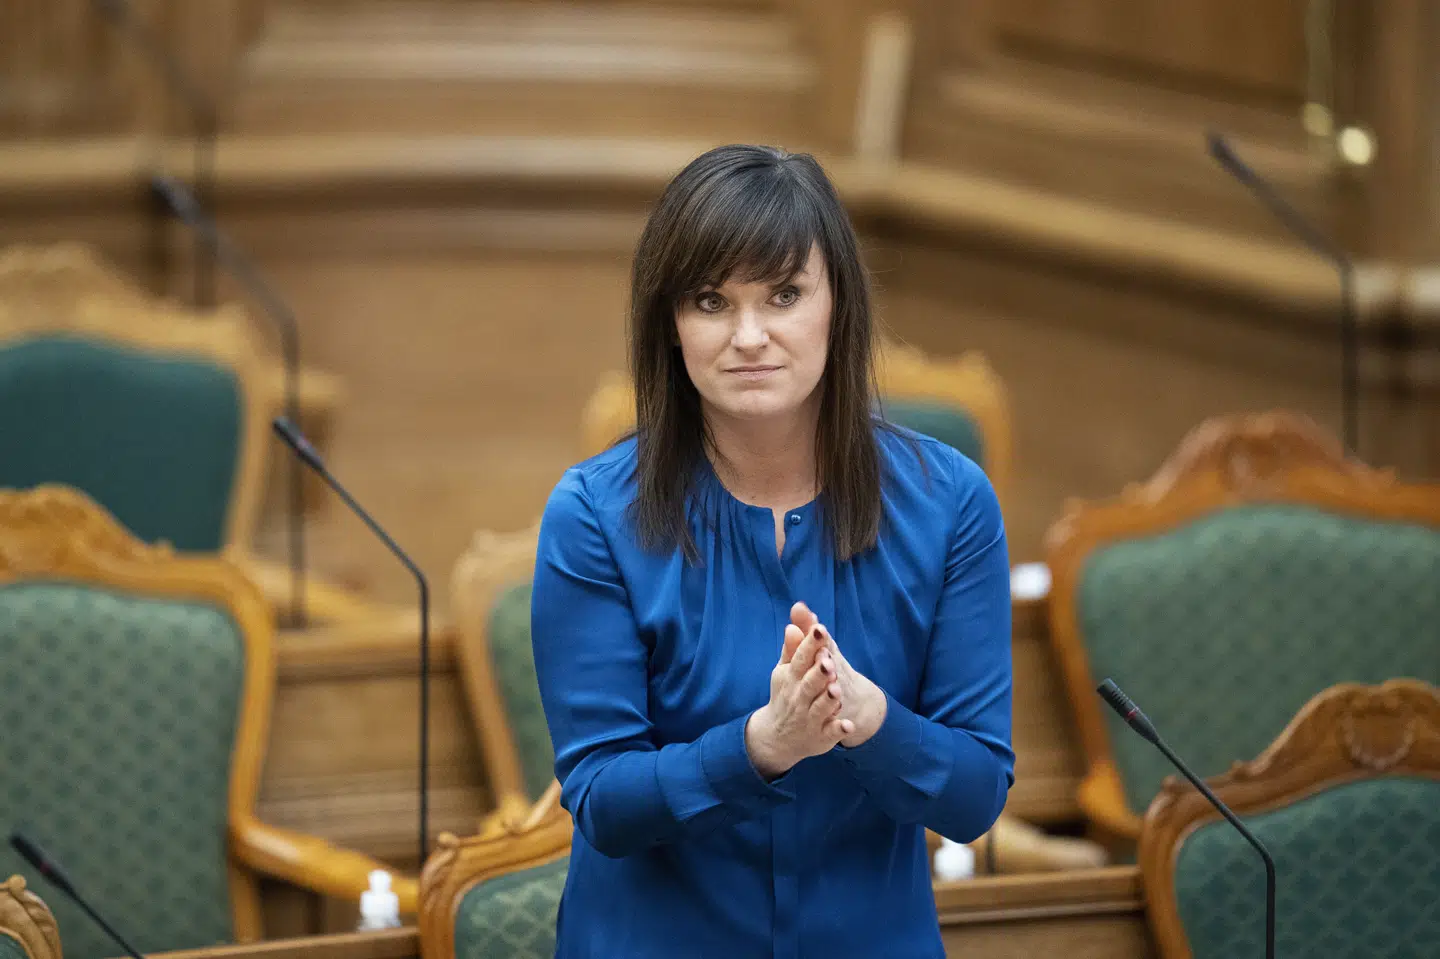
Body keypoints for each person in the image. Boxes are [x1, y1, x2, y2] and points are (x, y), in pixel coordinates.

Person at [530, 144, 1013, 958]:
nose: (749, 336)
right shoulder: (593, 515)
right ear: (671, 328)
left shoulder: (951, 504)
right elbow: (604, 800)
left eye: (785, 294)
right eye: (712, 300)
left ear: (837, 307)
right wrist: (762, 746)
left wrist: (870, 718)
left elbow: (974, 796)